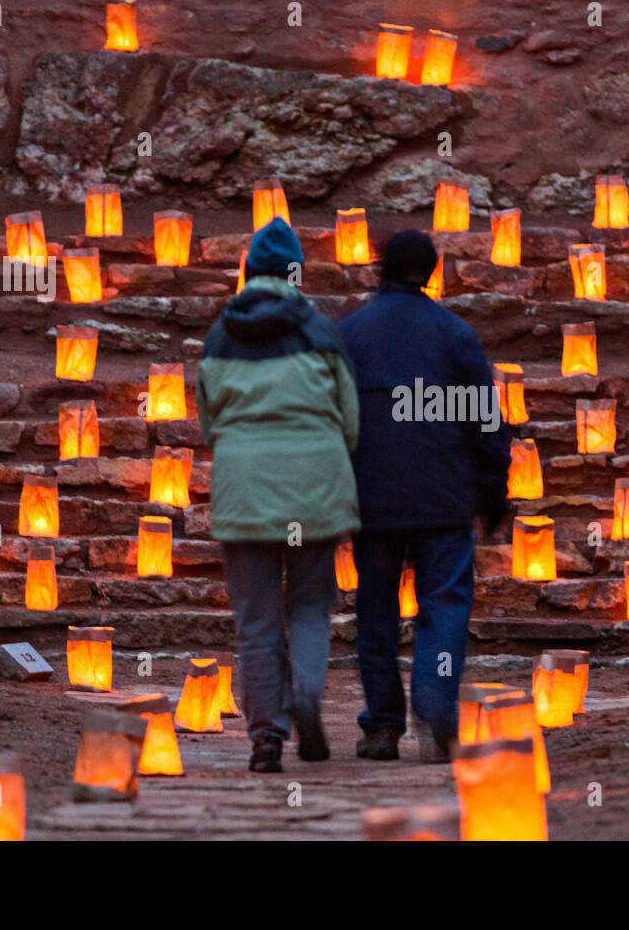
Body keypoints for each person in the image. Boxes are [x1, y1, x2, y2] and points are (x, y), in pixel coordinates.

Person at [339, 230, 511, 762]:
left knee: (376, 611)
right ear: (433, 273)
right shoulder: (455, 335)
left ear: (380, 269)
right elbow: (485, 420)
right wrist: (492, 490)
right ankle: (436, 711)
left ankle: (383, 727)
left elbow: (331, 419)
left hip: (373, 497)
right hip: (443, 496)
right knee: (444, 606)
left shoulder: (350, 335)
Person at [196, 217, 360, 773]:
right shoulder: (322, 331)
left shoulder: (220, 336)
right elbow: (351, 421)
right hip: (314, 487)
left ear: (247, 273)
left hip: (244, 492)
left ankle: (266, 736)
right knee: (311, 605)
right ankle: (307, 694)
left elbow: (210, 425)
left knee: (256, 620)